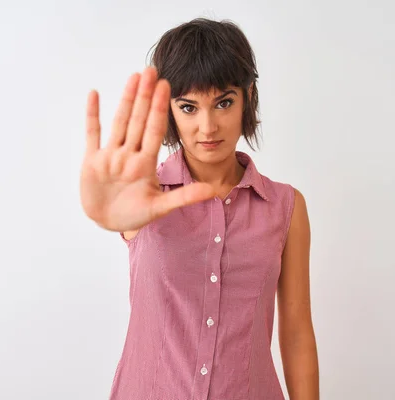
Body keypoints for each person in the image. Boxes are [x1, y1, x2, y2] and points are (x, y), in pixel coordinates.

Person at [80, 17, 319, 400]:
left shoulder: (286, 207)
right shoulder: (143, 196)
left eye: (223, 102)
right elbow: (121, 217)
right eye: (188, 107)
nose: (207, 127)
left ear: (248, 97)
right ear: (169, 110)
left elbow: (296, 332)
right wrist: (108, 217)